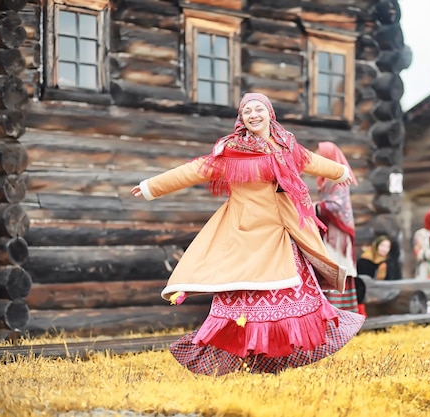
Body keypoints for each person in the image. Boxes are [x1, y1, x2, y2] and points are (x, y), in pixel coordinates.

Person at [131, 93, 365, 376]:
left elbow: (311, 160)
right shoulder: (230, 151)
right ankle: (235, 359)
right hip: (246, 236)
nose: (253, 115)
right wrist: (150, 187)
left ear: (270, 114)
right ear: (241, 119)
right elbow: (195, 170)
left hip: (281, 234)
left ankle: (277, 360)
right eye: (247, 111)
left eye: (259, 109)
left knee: (293, 298)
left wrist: (340, 171)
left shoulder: (286, 146)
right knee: (245, 302)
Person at [315, 141, 361, 314]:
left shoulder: (338, 178)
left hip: (338, 235)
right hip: (330, 232)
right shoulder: (326, 180)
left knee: (337, 268)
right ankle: (330, 312)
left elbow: (337, 206)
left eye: (320, 153)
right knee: (330, 269)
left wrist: (316, 207)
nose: (317, 156)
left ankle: (341, 313)